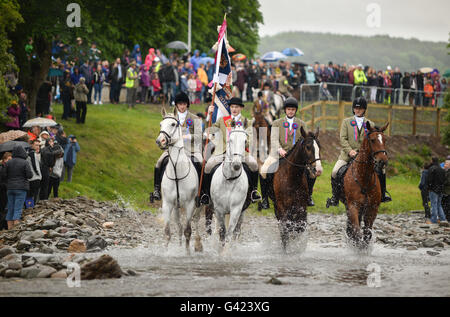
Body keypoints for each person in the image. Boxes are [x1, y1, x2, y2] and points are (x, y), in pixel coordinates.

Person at [326, 97, 391, 208]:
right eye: (356, 108)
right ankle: (335, 197)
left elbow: (374, 141)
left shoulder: (370, 123)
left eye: (360, 108)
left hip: (366, 156)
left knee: (382, 170)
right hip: (347, 154)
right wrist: (350, 151)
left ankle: (383, 194)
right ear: (353, 109)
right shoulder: (346, 122)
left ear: (364, 109)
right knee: (335, 171)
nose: (358, 110)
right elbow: (343, 139)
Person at [200, 97, 261, 205]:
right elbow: (209, 131)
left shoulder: (247, 122)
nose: (234, 109)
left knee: (254, 164)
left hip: (240, 153)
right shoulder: (222, 120)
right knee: (208, 165)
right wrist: (209, 116)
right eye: (232, 107)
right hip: (222, 151)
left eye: (236, 107)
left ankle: (253, 191)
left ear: (241, 108)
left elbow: (249, 140)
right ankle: (206, 194)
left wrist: (241, 142)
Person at [259, 97, 317, 208]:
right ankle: (265, 199)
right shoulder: (276, 123)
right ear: (285, 110)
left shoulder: (301, 123)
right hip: (279, 153)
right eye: (289, 109)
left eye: (293, 109)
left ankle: (309, 196)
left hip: (297, 157)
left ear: (295, 110)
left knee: (312, 173)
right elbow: (274, 139)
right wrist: (279, 149)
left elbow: (305, 140)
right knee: (264, 170)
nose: (291, 111)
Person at [151, 92, 202, 201]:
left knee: (201, 163)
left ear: (187, 105)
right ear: (176, 105)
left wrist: (188, 136)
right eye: (180, 104)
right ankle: (157, 190)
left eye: (184, 104)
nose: (182, 106)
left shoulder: (195, 118)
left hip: (191, 149)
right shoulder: (170, 118)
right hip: (173, 148)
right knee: (159, 162)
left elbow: (199, 136)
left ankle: (202, 192)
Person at [1, 146, 33, 230]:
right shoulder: (25, 162)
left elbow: (3, 175)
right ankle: (15, 231)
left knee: (10, 208)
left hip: (10, 188)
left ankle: (9, 229)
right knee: (18, 209)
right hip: (21, 188)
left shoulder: (8, 162)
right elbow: (30, 175)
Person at [426, 157, 447, 224]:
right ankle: (442, 219)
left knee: (433, 204)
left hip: (433, 189)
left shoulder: (432, 169)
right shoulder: (442, 169)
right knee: (439, 204)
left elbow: (429, 180)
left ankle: (433, 220)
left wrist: (428, 188)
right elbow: (444, 180)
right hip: (441, 189)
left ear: (432, 161)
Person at [26, 139, 42, 205]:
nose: (38, 147)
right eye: (36, 145)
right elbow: (35, 165)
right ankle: (31, 207)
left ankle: (29, 207)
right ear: (32, 145)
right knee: (32, 195)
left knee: (30, 195)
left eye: (39, 145)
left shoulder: (28, 153)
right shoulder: (32, 153)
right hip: (34, 177)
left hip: (31, 177)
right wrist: (39, 174)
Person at [0, 152, 12, 230]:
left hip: (5, 189)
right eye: (9, 159)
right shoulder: (2, 168)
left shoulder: (5, 167)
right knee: (3, 208)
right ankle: (3, 225)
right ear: (4, 160)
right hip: (2, 191)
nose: (10, 161)